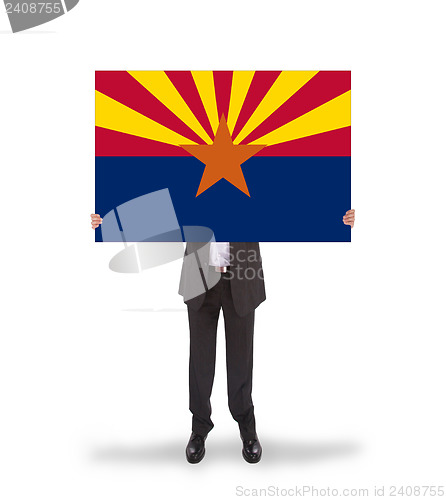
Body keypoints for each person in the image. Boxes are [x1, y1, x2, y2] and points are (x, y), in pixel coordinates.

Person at [90, 208, 355, 464]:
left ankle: (247, 428)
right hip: (200, 274)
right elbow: (163, 204)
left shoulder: (253, 168)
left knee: (241, 358)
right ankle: (199, 427)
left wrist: (334, 217)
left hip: (242, 274)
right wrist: (110, 220)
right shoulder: (192, 168)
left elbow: (285, 202)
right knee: (200, 360)